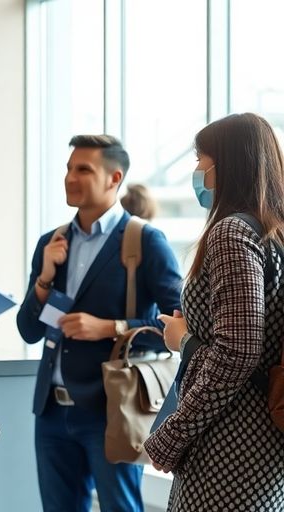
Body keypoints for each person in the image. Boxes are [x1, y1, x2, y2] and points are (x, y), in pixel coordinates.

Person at [15, 134, 182, 512]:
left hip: (111, 409)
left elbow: (177, 327)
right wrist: (44, 278)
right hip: (51, 412)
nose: (70, 177)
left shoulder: (145, 241)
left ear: (114, 178)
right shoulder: (52, 241)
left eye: (83, 169)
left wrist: (108, 327)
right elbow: (29, 329)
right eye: (69, 168)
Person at [145, 113, 284, 510]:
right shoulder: (273, 233)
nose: (197, 171)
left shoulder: (232, 233)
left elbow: (238, 351)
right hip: (265, 440)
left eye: (201, 159)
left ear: (227, 163)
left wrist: (183, 340)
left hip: (230, 438)